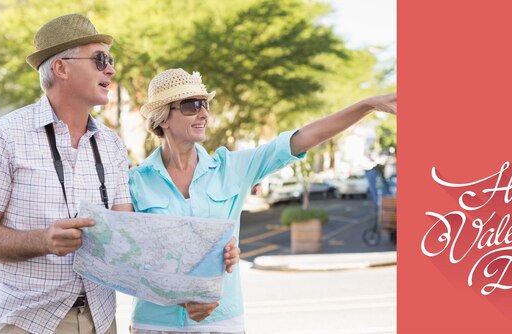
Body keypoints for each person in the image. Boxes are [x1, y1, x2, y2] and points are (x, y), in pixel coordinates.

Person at [129, 68, 396, 333]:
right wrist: (176, 295)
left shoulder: (232, 168)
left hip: (221, 322)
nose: (203, 113)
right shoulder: (134, 181)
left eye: (205, 104)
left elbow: (303, 138)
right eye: (191, 105)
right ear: (163, 118)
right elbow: (128, 257)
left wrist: (367, 105)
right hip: (154, 324)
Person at [0, 13, 131, 334]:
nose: (110, 68)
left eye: (110, 60)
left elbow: (127, 234)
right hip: (29, 323)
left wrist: (188, 283)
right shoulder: (5, 136)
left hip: (102, 318)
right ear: (61, 68)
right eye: (100, 59)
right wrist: (43, 240)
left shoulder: (112, 144)